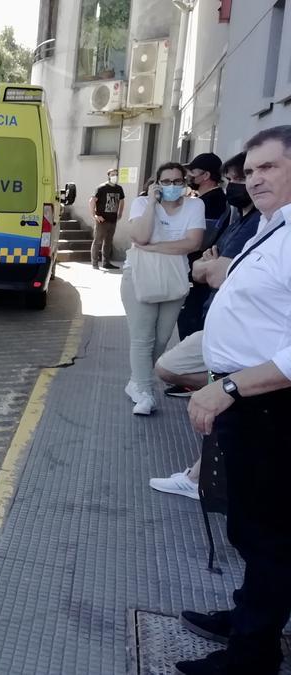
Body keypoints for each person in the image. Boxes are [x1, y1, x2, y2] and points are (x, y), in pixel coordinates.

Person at [176, 126, 291, 675]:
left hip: (270, 407)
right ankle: (250, 616)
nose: (254, 178)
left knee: (269, 533)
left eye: (269, 167)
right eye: (251, 169)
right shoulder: (273, 226)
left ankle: (253, 656)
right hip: (247, 400)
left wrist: (227, 387)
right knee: (249, 524)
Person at [149, 152, 262, 500]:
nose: (246, 184)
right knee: (172, 367)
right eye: (241, 177)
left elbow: (212, 263)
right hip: (219, 322)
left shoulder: (266, 225)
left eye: (256, 173)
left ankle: (200, 478)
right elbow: (205, 263)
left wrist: (214, 268)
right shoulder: (240, 218)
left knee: (234, 398)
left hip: (246, 330)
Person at [121, 163, 205, 416]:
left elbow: (192, 243)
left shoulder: (195, 205)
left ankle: (136, 382)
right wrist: (151, 203)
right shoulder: (141, 204)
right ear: (156, 183)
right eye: (166, 181)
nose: (172, 186)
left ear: (185, 183)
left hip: (174, 277)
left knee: (162, 337)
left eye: (177, 181)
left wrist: (155, 248)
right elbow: (140, 237)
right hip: (139, 275)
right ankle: (146, 393)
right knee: (142, 337)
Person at [177, 153, 227, 339]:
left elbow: (196, 240)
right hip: (198, 272)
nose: (188, 177)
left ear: (205, 176)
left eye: (192, 172)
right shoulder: (208, 200)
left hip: (199, 274)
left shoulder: (209, 203)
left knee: (190, 326)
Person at [89, 168, 126, 269]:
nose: (115, 176)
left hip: (113, 219)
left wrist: (120, 213)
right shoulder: (101, 188)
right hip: (102, 220)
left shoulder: (119, 188)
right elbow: (92, 201)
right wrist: (95, 215)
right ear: (109, 176)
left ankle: (106, 262)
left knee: (108, 242)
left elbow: (122, 201)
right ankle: (95, 263)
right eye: (113, 174)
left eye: (116, 174)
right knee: (97, 241)